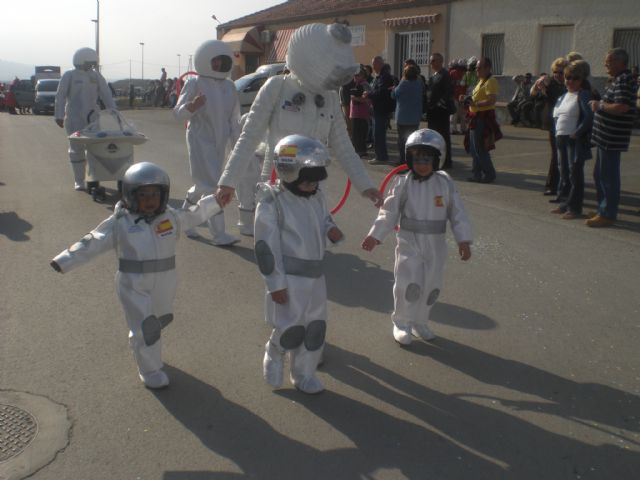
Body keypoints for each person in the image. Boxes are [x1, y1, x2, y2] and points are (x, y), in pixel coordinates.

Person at [50, 162, 223, 388]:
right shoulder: (120, 222)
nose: (150, 199)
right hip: (133, 283)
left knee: (158, 321)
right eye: (143, 195)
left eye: (155, 194)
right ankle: (150, 371)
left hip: (165, 281)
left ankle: (139, 343)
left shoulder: (170, 217)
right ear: (131, 195)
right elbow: (91, 242)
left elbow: (193, 215)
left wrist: (215, 202)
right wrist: (64, 260)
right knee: (147, 327)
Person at [215, 23, 383, 209]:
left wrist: (367, 186)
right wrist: (228, 182)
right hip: (275, 191)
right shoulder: (276, 88)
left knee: (313, 236)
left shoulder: (330, 98)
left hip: (313, 191)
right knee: (273, 236)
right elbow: (249, 137)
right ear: (308, 57)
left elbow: (344, 147)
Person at [361, 129, 472, 345]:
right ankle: (402, 322)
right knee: (409, 283)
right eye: (417, 159)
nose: (422, 164)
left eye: (427, 159)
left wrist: (463, 240)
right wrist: (375, 235)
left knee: (432, 285)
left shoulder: (445, 183)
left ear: (437, 159)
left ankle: (421, 320)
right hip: (409, 241)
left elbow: (457, 212)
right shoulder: (403, 182)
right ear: (409, 160)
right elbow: (389, 210)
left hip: (436, 243)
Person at [256, 135, 344, 394]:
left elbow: (323, 218)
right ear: (289, 172)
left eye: (316, 179)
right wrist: (275, 284)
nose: (312, 185)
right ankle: (274, 352)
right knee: (289, 326)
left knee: (315, 326)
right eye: (307, 180)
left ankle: (304, 374)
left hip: (316, 276)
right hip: (290, 278)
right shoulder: (273, 202)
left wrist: (332, 230)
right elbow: (265, 249)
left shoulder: (316, 196)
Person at [174, 39, 241, 245]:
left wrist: (238, 146)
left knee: (201, 185)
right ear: (205, 60)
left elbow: (234, 119)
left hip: (219, 143)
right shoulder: (195, 83)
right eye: (215, 61)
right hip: (200, 140)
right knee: (214, 185)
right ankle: (218, 234)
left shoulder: (230, 86)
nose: (219, 65)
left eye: (222, 61)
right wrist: (192, 106)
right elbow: (178, 114)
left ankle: (184, 221)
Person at [587, 48, 638, 228]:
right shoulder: (617, 79)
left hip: (612, 137)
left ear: (619, 63)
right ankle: (603, 209)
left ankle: (608, 213)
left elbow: (621, 107)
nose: (605, 65)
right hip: (606, 136)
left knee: (608, 176)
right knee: (600, 174)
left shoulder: (624, 80)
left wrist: (599, 105)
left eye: (608, 62)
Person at [54, 47, 116, 191]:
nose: (92, 66)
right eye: (90, 62)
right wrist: (58, 115)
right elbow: (60, 95)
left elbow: (106, 94)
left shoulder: (96, 77)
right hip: (74, 118)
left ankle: (92, 179)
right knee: (76, 149)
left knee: (94, 149)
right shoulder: (69, 75)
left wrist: (114, 111)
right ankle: (79, 180)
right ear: (81, 60)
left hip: (93, 118)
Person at [550, 60, 594, 220]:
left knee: (575, 175)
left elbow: (589, 117)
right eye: (567, 77)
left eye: (575, 78)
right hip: (561, 138)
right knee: (564, 172)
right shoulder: (564, 95)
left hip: (573, 140)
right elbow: (557, 116)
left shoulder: (582, 95)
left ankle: (575, 208)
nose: (570, 81)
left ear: (582, 80)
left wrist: (577, 132)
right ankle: (564, 204)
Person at [530, 58, 567, 197]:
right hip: (553, 123)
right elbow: (533, 95)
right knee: (556, 154)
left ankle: (560, 185)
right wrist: (537, 86)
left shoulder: (569, 83)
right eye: (555, 71)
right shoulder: (550, 82)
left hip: (566, 123)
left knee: (563, 156)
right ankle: (552, 185)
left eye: (561, 72)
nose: (557, 74)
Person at [463, 57, 500, 183]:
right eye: (476, 68)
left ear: (487, 68)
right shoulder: (481, 81)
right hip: (475, 117)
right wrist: (468, 99)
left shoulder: (491, 81)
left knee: (480, 148)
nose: (476, 70)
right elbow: (476, 98)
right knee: (474, 149)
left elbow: (491, 100)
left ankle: (489, 174)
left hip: (482, 118)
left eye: (479, 68)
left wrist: (475, 104)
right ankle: (476, 174)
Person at [425, 53, 455, 169]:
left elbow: (448, 92)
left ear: (440, 62)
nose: (431, 63)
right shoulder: (433, 76)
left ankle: (447, 161)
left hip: (441, 112)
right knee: (433, 137)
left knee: (443, 136)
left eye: (433, 61)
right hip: (432, 111)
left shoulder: (445, 75)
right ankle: (436, 158)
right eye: (431, 61)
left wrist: (439, 103)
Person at [365, 55, 395, 165]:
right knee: (377, 134)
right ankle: (381, 156)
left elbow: (381, 92)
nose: (372, 67)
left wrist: (368, 94)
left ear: (379, 63)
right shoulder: (381, 76)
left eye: (373, 64)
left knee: (378, 134)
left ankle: (381, 157)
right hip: (378, 109)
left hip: (382, 109)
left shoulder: (385, 76)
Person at [392, 63, 424, 165]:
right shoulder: (419, 83)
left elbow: (393, 95)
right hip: (414, 117)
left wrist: (396, 85)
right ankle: (412, 160)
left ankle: (403, 160)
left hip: (403, 117)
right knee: (412, 140)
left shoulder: (403, 84)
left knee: (402, 141)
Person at [349, 66, 372, 158]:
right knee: (356, 132)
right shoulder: (357, 84)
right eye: (354, 76)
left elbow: (367, 98)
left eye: (357, 75)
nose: (355, 77)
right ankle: (358, 150)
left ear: (362, 75)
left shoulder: (364, 84)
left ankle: (361, 151)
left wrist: (355, 98)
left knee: (360, 132)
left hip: (361, 113)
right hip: (356, 112)